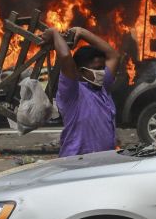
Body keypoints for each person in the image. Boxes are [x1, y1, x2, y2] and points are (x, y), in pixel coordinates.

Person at [41, 26, 120, 157]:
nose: (102, 72)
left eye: (102, 68)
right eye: (97, 68)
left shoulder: (102, 87)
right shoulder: (72, 93)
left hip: (103, 163)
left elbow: (114, 56)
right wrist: (55, 34)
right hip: (76, 163)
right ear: (80, 71)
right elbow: (66, 57)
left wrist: (82, 33)